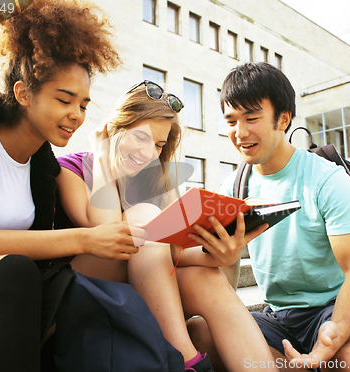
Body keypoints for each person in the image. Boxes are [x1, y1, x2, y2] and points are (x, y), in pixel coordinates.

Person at [55, 80, 280, 372]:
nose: (149, 153)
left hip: (142, 284)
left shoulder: (154, 180)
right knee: (141, 215)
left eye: (159, 145)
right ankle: (186, 360)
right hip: (84, 290)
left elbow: (169, 253)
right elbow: (107, 232)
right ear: (115, 128)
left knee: (208, 281)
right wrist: (101, 155)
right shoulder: (69, 170)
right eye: (141, 138)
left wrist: (219, 253)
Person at [0, 0, 124, 370]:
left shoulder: (45, 167)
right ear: (23, 93)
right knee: (16, 272)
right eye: (64, 100)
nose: (76, 115)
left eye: (83, 104)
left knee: (73, 283)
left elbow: (106, 231)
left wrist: (104, 157)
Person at [187, 62, 350, 372]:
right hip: (277, 318)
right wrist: (222, 259)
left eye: (251, 118)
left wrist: (331, 338)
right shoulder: (232, 189)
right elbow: (223, 291)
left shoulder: (327, 179)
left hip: (337, 308)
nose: (240, 133)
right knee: (200, 331)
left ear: (284, 119)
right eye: (231, 121)